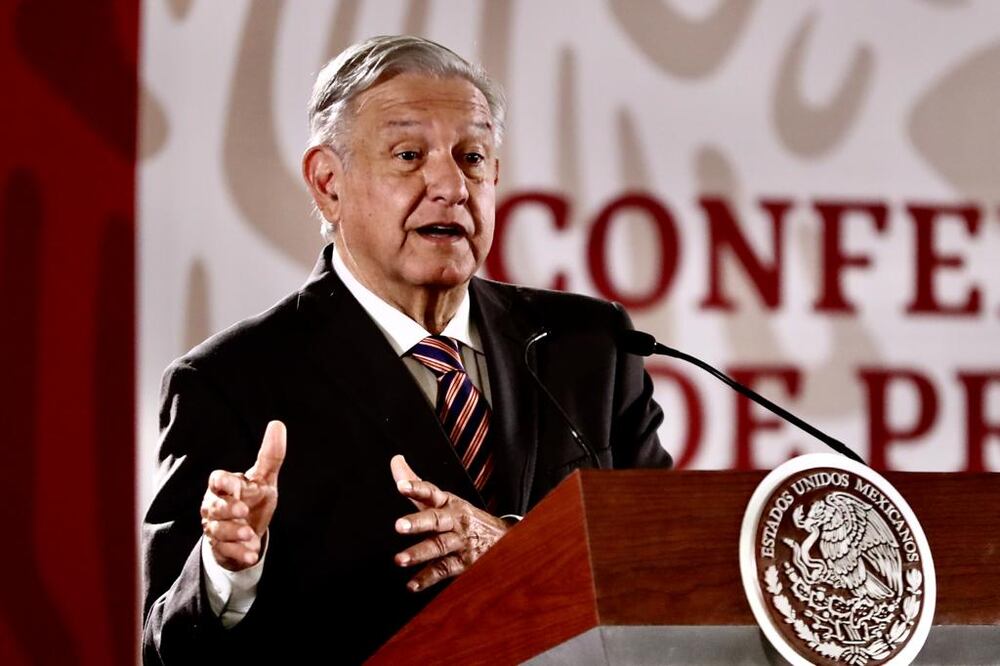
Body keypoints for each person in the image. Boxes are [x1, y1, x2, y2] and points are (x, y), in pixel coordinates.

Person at [141, 35, 671, 664]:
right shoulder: (231, 382)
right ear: (328, 183)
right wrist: (228, 574)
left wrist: (515, 546)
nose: (449, 184)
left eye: (471, 157)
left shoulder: (590, 347)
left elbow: (662, 567)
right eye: (409, 155)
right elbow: (167, 650)